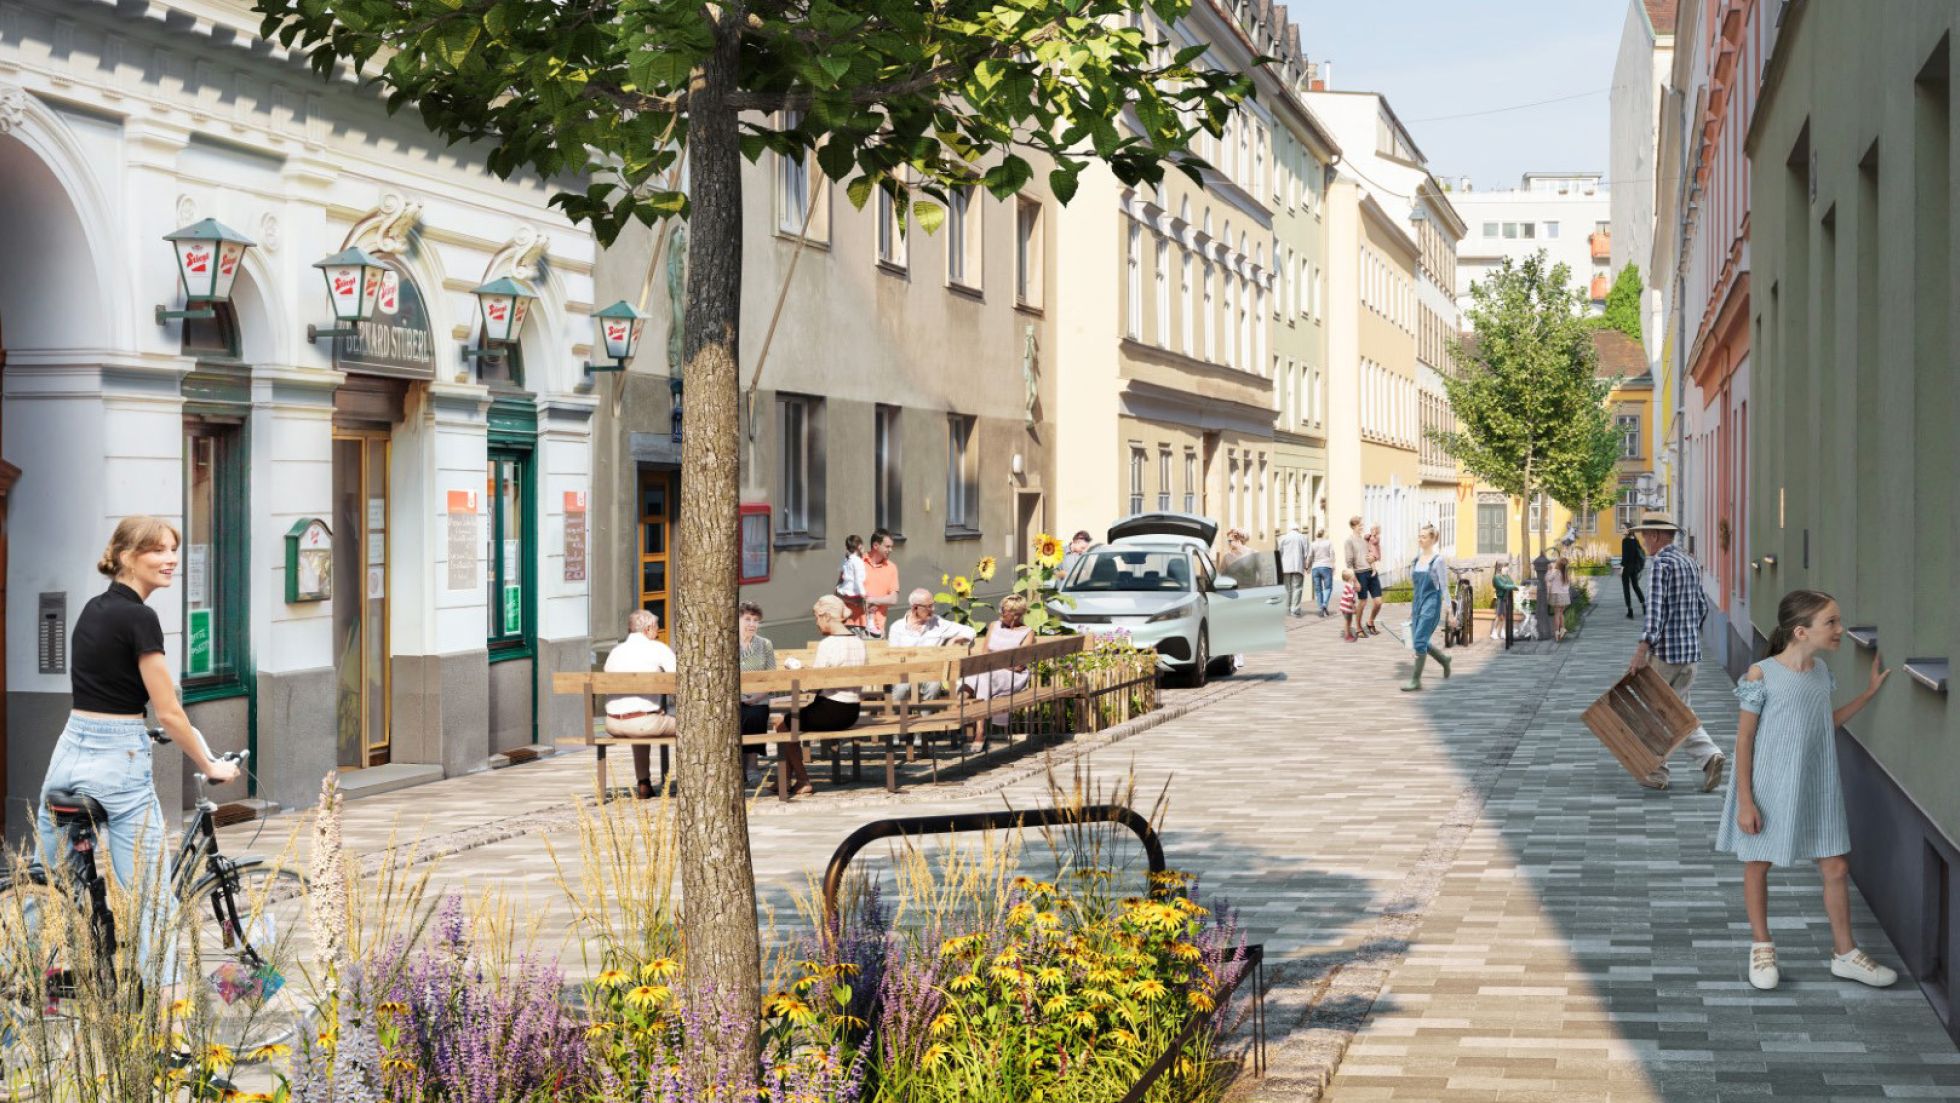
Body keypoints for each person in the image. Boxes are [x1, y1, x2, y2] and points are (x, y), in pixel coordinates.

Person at [41, 517, 241, 967]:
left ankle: (38, 980)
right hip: (118, 758)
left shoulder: (93, 608)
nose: (171, 559)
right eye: (158, 550)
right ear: (127, 556)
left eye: (173, 549)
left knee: (50, 884)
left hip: (70, 750)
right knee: (152, 906)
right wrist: (210, 766)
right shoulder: (141, 617)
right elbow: (168, 711)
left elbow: (105, 684)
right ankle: (167, 1027)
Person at [1716, 589, 1897, 992]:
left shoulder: (1818, 673)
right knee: (1758, 863)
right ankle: (1761, 946)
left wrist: (1867, 695)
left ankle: (1845, 954)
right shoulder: (1762, 674)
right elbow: (1744, 741)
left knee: (1836, 867)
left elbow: (1822, 722)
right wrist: (1746, 801)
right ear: (1801, 631)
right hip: (1769, 785)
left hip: (1816, 782)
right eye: (1830, 622)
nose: (1839, 629)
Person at [1626, 511, 1727, 792]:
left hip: (1665, 656)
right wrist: (1689, 635)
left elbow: (1654, 613)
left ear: (1656, 535)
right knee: (1679, 711)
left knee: (1655, 713)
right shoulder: (1689, 561)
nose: (1644, 541)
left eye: (1645, 535)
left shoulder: (1661, 564)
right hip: (1690, 655)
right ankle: (1709, 758)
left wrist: (1641, 651)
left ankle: (1659, 772)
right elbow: (1701, 607)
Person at [771, 595, 867, 796]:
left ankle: (803, 780)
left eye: (817, 617)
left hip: (831, 710)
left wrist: (797, 672)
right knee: (791, 722)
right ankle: (785, 779)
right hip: (852, 711)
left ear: (827, 616)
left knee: (782, 724)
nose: (816, 622)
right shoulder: (859, 642)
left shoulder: (829, 644)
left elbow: (811, 687)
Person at [603, 609, 677, 800]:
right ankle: (695, 778)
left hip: (612, 724)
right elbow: (678, 679)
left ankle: (643, 782)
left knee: (640, 720)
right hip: (644, 723)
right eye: (657, 627)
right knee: (692, 727)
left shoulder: (615, 652)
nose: (658, 632)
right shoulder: (657, 648)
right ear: (648, 628)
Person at [958, 593, 1035, 747]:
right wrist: (996, 661)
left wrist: (994, 662)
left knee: (983, 676)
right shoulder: (994, 626)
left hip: (1013, 676)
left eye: (1004, 610)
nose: (1000, 612)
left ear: (1015, 615)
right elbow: (985, 653)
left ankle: (979, 731)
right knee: (971, 679)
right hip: (988, 670)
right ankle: (957, 716)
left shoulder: (1028, 632)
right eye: (1001, 608)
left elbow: (1019, 665)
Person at [887, 587, 976, 700]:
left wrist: (954, 640)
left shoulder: (938, 623)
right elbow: (893, 656)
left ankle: (928, 717)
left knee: (934, 685)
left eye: (933, 604)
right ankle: (898, 716)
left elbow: (970, 631)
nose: (933, 609)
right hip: (906, 673)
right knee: (902, 688)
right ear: (915, 608)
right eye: (929, 606)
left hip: (930, 673)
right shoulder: (897, 628)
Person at [1400, 523, 1455, 691]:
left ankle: (1415, 680)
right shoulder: (1416, 560)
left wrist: (1450, 610)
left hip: (1431, 605)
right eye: (1419, 536)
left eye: (1423, 537)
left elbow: (1444, 587)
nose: (1420, 539)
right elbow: (1417, 588)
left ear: (1432, 540)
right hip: (1418, 604)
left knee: (1419, 641)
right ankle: (1444, 660)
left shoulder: (1438, 561)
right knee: (1420, 641)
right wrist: (1412, 610)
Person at [849, 528, 900, 638]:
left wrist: (872, 600)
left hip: (876, 629)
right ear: (876, 545)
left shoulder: (891, 568)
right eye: (887, 546)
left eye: (891, 547)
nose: (890, 550)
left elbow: (893, 599)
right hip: (852, 627)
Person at [1344, 517, 1381, 636]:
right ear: (1354, 526)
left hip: (1371, 572)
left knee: (1378, 602)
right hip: (1360, 573)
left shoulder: (1365, 539)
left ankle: (1370, 622)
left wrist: (1374, 558)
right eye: (1360, 525)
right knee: (1363, 602)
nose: (1362, 527)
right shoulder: (1349, 541)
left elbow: (1374, 553)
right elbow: (1349, 563)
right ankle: (1359, 627)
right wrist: (1355, 581)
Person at [1278, 523, 1310, 618]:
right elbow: (1307, 553)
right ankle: (1295, 610)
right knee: (1297, 588)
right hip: (1297, 566)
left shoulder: (1283, 538)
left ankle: (1286, 608)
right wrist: (1306, 565)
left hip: (1285, 567)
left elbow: (1279, 552)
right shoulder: (1303, 537)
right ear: (1298, 529)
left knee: (1286, 588)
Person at [835, 534, 867, 626]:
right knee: (870, 605)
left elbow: (841, 572)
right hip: (853, 593)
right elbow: (858, 580)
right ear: (860, 546)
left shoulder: (846, 559)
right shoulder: (858, 561)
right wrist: (863, 594)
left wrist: (837, 587)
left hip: (843, 590)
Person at [1620, 527, 1648, 619]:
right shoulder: (1636, 541)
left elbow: (1625, 557)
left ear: (1628, 530)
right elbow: (1639, 555)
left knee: (1626, 589)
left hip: (1627, 568)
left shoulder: (1625, 541)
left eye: (1623, 528)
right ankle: (1644, 606)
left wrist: (1621, 568)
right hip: (1634, 568)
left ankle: (1630, 611)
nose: (1622, 530)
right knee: (1636, 587)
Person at [1308, 526, 1336, 617]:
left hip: (1315, 568)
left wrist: (1308, 567)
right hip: (1326, 567)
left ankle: (1321, 609)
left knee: (1318, 589)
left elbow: (1310, 557)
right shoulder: (1329, 543)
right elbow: (1332, 555)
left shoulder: (1313, 544)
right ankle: (1324, 604)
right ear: (1324, 533)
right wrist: (1333, 566)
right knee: (1328, 587)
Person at [1491, 557, 1519, 642]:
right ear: (1500, 567)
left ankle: (1502, 631)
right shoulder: (1496, 577)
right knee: (1499, 615)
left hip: (1506, 599)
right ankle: (1494, 632)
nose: (1506, 568)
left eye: (1507, 566)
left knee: (1504, 616)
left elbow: (1511, 583)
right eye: (1505, 566)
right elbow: (1503, 586)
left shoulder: (1506, 576)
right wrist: (1514, 587)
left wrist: (1514, 586)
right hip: (1500, 599)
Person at [1547, 556, 1572, 643]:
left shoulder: (1556, 573)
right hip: (1565, 596)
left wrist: (1549, 570)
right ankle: (1563, 629)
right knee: (1561, 613)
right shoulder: (1566, 574)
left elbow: (1548, 579)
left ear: (1558, 564)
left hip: (1557, 595)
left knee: (1556, 615)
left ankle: (1557, 633)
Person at [1337, 567, 1360, 643]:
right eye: (1353, 575)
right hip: (1347, 608)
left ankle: (1348, 634)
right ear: (1351, 578)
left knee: (1348, 621)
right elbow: (1350, 600)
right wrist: (1354, 609)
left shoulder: (1348, 586)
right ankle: (1347, 636)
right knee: (1348, 622)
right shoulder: (1349, 587)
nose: (1354, 576)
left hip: (1346, 608)